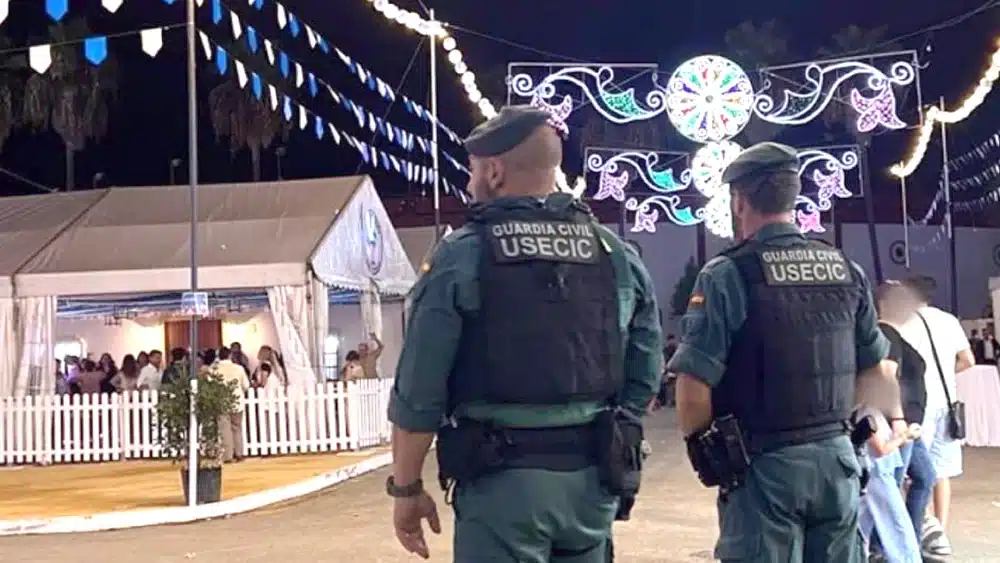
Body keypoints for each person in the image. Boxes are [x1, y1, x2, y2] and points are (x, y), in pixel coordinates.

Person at [386, 105, 662, 562]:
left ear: (494, 172)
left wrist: (407, 487)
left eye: (473, 170)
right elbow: (645, 371)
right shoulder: (613, 252)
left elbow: (420, 390)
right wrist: (609, 429)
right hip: (591, 485)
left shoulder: (462, 255)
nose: (469, 182)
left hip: (501, 490)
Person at [669, 142, 900, 562]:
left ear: (739, 202)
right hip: (837, 461)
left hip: (764, 465)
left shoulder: (728, 273)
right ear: (793, 198)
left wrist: (710, 453)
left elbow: (692, 390)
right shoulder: (846, 269)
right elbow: (878, 371)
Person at [897, 276, 975, 557]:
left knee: (915, 474)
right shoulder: (949, 320)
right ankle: (940, 532)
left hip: (917, 405)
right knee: (942, 473)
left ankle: (919, 530)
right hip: (947, 403)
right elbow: (968, 360)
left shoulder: (903, 321)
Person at [872, 282, 936, 550]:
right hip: (900, 426)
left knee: (922, 477)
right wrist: (898, 420)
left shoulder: (892, 335)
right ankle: (889, 545)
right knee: (893, 487)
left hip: (909, 426)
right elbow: (887, 374)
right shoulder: (886, 333)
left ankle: (905, 539)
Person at [855, 400, 923, 563]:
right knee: (898, 525)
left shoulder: (873, 411)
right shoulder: (868, 412)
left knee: (861, 526)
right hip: (878, 476)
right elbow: (881, 449)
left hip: (876, 474)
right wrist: (905, 436)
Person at [214, 346, 250, 463]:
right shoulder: (239, 368)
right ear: (230, 356)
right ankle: (239, 453)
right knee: (237, 428)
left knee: (225, 430)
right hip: (237, 401)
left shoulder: (215, 369)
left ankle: (228, 456)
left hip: (221, 402)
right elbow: (246, 385)